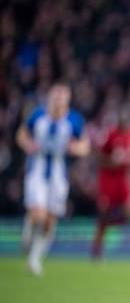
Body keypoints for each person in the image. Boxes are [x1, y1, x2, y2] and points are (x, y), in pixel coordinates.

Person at [16, 83, 90, 276]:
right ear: (49, 99)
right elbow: (22, 134)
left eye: (61, 99)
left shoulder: (74, 120)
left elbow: (85, 145)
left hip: (58, 174)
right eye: (55, 98)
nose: (57, 103)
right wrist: (28, 145)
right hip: (37, 171)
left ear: (67, 101)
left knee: (49, 221)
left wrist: (76, 148)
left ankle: (34, 259)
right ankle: (28, 230)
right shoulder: (38, 115)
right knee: (38, 213)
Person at [91, 105, 130, 260]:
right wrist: (111, 161)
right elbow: (98, 157)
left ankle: (109, 224)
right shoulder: (110, 134)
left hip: (124, 177)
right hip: (108, 178)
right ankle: (97, 249)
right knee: (104, 212)